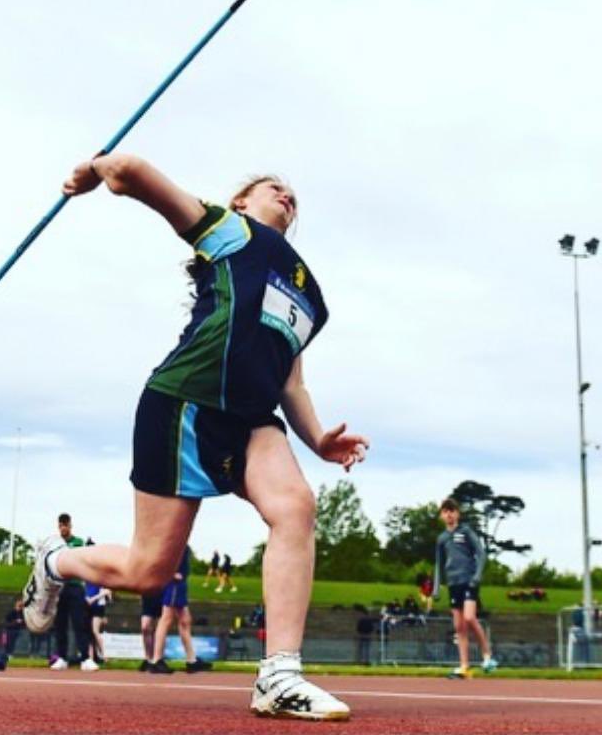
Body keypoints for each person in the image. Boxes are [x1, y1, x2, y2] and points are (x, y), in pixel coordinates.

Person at [22, 154, 369, 720]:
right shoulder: (232, 232)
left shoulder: (313, 299)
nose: (287, 194)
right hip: (184, 401)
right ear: (240, 202)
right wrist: (95, 170)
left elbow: (292, 382)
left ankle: (279, 676)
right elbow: (132, 172)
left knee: (296, 506)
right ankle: (57, 562)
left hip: (251, 419)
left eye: (293, 194)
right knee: (148, 572)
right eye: (272, 186)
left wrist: (317, 441)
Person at [432, 497, 498, 678]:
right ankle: (464, 666)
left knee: (469, 618)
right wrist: (436, 588)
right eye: (445, 511)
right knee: (459, 626)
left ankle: (487, 656)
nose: (449, 515)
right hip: (453, 583)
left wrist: (477, 576)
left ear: (458, 514)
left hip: (469, 580)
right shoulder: (442, 539)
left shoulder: (466, 532)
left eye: (452, 511)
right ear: (441, 515)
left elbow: (481, 553)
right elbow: (438, 564)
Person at [147, 546, 212, 674]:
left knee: (185, 620)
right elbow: (162, 556)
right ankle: (156, 660)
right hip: (174, 583)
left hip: (179, 583)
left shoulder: (180, 539)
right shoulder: (172, 538)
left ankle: (191, 660)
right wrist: (171, 573)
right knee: (166, 619)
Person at [48, 513, 98, 672]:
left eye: (66, 525)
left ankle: (85, 658)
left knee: (80, 623)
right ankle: (62, 657)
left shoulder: (78, 543)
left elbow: (80, 562)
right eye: (61, 525)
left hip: (75, 586)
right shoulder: (54, 544)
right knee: (60, 624)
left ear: (70, 526)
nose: (63, 528)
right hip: (59, 588)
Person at [139, 592, 163, 672]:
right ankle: (148, 658)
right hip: (148, 595)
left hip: (161, 595)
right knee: (145, 627)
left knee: (159, 629)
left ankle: (157, 659)